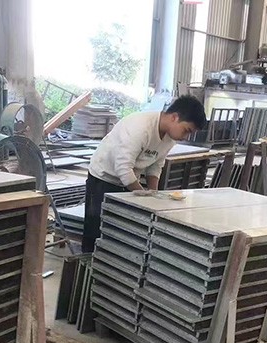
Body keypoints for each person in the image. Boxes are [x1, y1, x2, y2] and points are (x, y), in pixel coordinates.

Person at [82, 96, 207, 252]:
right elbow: (123, 167)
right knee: (96, 227)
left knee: (119, 229)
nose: (185, 137)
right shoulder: (140, 127)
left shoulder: (170, 138)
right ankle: (87, 260)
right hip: (103, 177)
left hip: (128, 179)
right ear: (174, 117)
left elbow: (155, 165)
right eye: (186, 130)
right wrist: (143, 196)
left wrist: (153, 194)